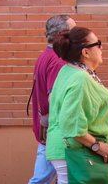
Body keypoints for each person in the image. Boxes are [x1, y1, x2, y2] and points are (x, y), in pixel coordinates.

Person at [45, 26, 108, 184]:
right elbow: (71, 125)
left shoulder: (68, 71)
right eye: (98, 44)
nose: (101, 48)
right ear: (86, 52)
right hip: (75, 150)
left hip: (68, 149)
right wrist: (97, 146)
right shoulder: (80, 79)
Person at [28, 15, 76, 184]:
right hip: (52, 131)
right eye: (73, 31)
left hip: (47, 130)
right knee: (42, 180)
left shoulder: (45, 56)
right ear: (62, 34)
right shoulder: (58, 61)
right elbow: (54, 100)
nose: (76, 36)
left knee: (43, 179)